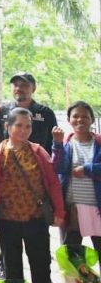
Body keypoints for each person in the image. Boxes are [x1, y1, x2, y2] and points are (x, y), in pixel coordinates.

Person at [0, 107, 65, 283]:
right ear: (7, 126)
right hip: (7, 219)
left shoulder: (38, 151)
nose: (24, 130)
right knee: (11, 263)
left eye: (28, 126)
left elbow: (53, 182)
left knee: (40, 260)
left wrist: (60, 212)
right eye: (19, 125)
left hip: (36, 216)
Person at [52, 101, 101, 253]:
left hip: (97, 209)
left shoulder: (99, 142)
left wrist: (87, 169)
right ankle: (78, 279)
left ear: (92, 120)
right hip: (73, 210)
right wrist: (57, 144)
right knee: (72, 257)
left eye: (85, 116)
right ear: (69, 120)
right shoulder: (66, 143)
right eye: (75, 116)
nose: (80, 120)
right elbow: (58, 168)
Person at [0, 73, 57, 154]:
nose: (18, 88)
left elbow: (55, 143)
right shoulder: (1, 111)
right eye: (15, 85)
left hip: (37, 164)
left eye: (24, 85)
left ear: (34, 88)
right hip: (5, 163)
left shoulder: (46, 113)